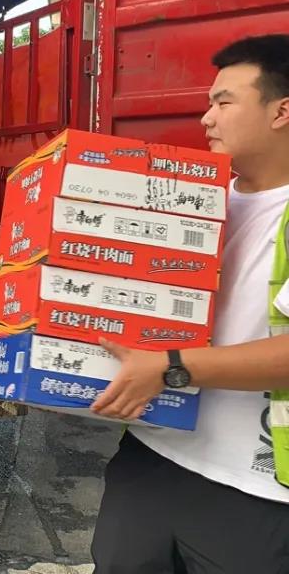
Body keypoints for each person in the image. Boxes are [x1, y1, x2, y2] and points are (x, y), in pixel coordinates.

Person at [89, 34, 289, 572]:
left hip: (257, 489)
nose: (206, 117)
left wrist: (171, 367)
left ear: (282, 111)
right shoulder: (195, 204)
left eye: (224, 102)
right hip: (153, 457)